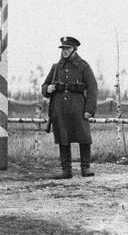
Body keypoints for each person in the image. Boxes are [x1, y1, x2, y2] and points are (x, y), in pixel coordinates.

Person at [42, 36, 98, 178]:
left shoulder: (83, 66)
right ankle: (66, 170)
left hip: (78, 107)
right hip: (59, 108)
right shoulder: (56, 67)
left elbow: (92, 88)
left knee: (84, 137)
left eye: (67, 48)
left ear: (75, 49)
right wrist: (47, 89)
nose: (65, 51)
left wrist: (89, 110)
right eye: (63, 49)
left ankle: (85, 167)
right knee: (62, 137)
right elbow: (44, 85)